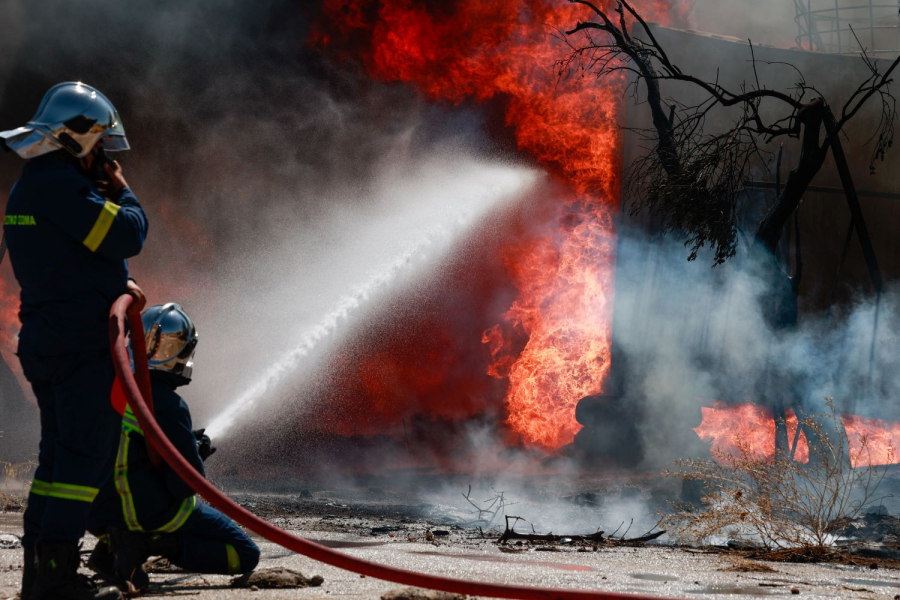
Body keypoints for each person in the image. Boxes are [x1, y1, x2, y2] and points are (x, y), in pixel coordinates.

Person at [0, 82, 148, 600]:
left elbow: (67, 259)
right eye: (100, 144)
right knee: (82, 460)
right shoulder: (61, 185)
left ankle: (40, 573)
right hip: (80, 345)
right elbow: (127, 234)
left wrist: (114, 284)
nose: (105, 156)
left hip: (49, 339)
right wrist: (122, 189)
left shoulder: (31, 185)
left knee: (57, 459)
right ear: (77, 137)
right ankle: (57, 577)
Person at [87, 303, 260, 590]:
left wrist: (183, 446)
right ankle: (147, 544)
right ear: (179, 351)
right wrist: (194, 456)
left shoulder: (106, 388)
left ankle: (116, 548)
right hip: (150, 515)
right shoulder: (169, 405)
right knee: (244, 553)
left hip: (100, 515)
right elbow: (184, 486)